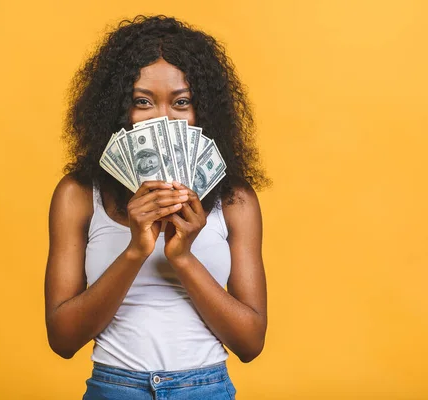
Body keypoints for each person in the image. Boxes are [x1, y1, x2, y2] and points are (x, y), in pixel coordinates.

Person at [44, 15, 270, 400]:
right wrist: (136, 250)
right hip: (114, 388)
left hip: (206, 388)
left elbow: (250, 343)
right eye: (142, 102)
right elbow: (63, 339)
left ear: (204, 112)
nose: (163, 118)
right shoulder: (80, 195)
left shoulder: (236, 200)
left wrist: (182, 257)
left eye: (181, 102)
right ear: (117, 109)